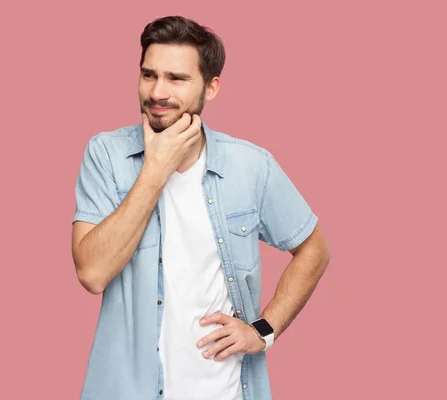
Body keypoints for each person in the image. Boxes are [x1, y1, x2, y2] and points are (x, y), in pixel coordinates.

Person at [70, 15, 331, 400]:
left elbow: (314, 250)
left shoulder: (250, 166)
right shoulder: (106, 155)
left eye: (176, 78)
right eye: (148, 75)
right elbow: (92, 272)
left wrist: (263, 330)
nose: (158, 91)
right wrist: (155, 169)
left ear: (211, 88)